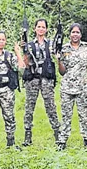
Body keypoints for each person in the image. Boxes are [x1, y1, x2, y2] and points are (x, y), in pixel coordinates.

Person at [55, 23, 87, 150]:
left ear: (81, 34)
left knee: (84, 115)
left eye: (77, 32)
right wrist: (58, 60)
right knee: (65, 116)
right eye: (73, 32)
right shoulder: (63, 48)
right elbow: (62, 72)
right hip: (67, 88)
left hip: (83, 87)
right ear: (69, 34)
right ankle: (62, 141)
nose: (75, 34)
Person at [18, 18, 60, 146]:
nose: (41, 29)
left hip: (46, 79)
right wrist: (23, 50)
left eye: (43, 27)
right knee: (29, 107)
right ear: (35, 28)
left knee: (51, 107)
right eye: (39, 27)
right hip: (33, 79)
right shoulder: (29, 44)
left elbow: (57, 55)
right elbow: (25, 63)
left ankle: (58, 134)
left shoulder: (51, 44)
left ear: (46, 29)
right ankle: (27, 135)